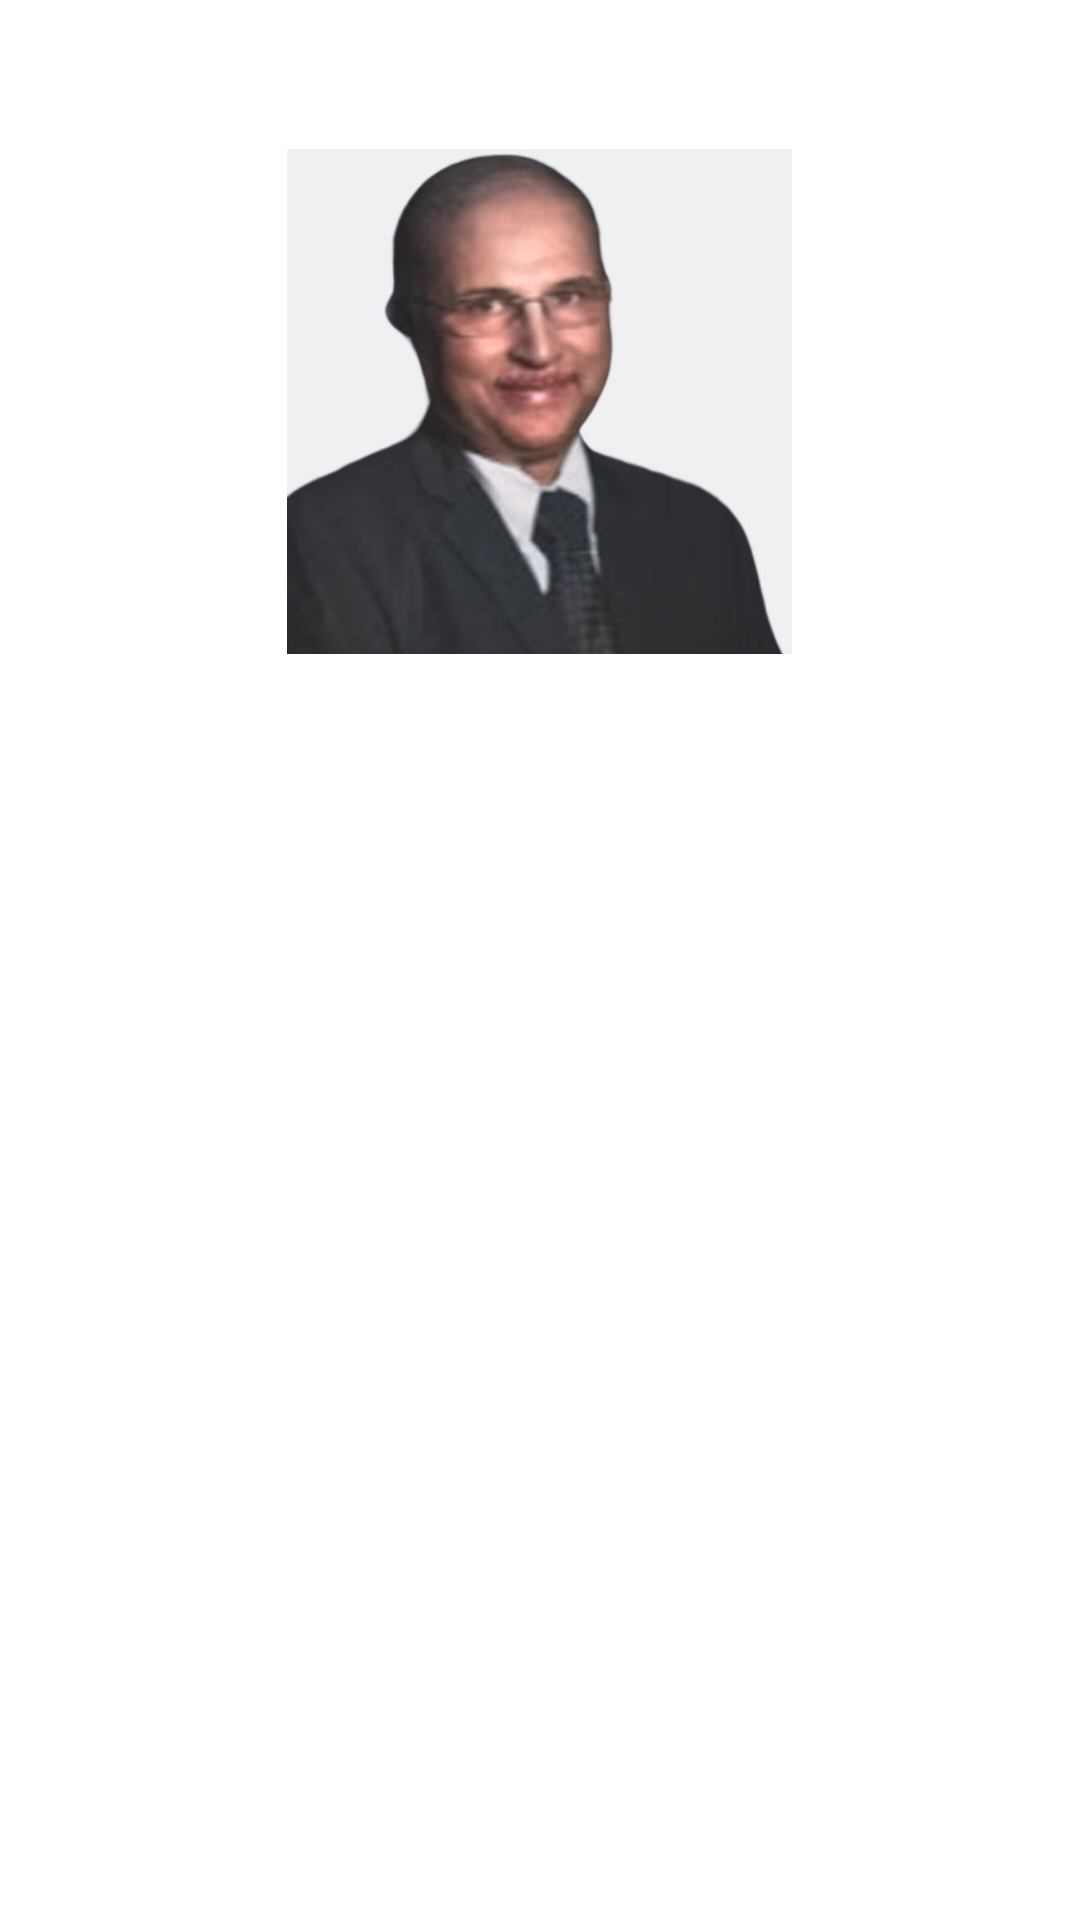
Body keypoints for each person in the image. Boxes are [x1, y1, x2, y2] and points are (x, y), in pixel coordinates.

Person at [287, 156, 779, 655]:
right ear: (409, 320)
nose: (540, 349)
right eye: (486, 305)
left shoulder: (698, 529)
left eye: (569, 296)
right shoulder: (327, 542)